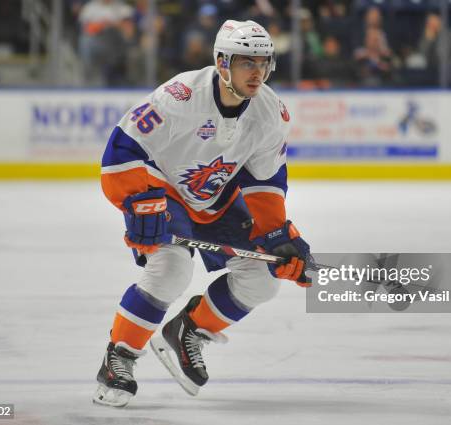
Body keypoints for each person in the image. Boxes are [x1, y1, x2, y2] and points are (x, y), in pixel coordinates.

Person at [93, 19, 312, 407]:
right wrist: (136, 200)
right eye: (247, 62)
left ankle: (188, 331)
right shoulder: (178, 98)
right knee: (172, 270)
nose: (257, 72)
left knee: (262, 281)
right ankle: (119, 358)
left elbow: (265, 180)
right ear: (222, 62)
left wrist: (277, 236)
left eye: (263, 62)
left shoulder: (270, 113)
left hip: (217, 199)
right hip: (163, 193)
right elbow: (121, 150)